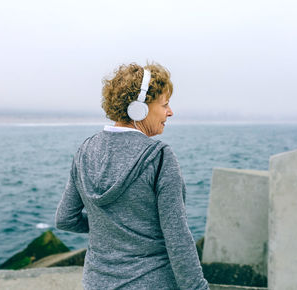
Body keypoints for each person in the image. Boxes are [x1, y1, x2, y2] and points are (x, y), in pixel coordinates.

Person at [55, 63, 209, 289]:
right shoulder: (159, 158)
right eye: (165, 104)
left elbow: (65, 219)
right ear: (140, 108)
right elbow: (178, 239)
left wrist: (107, 227)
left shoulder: (85, 151)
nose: (170, 112)